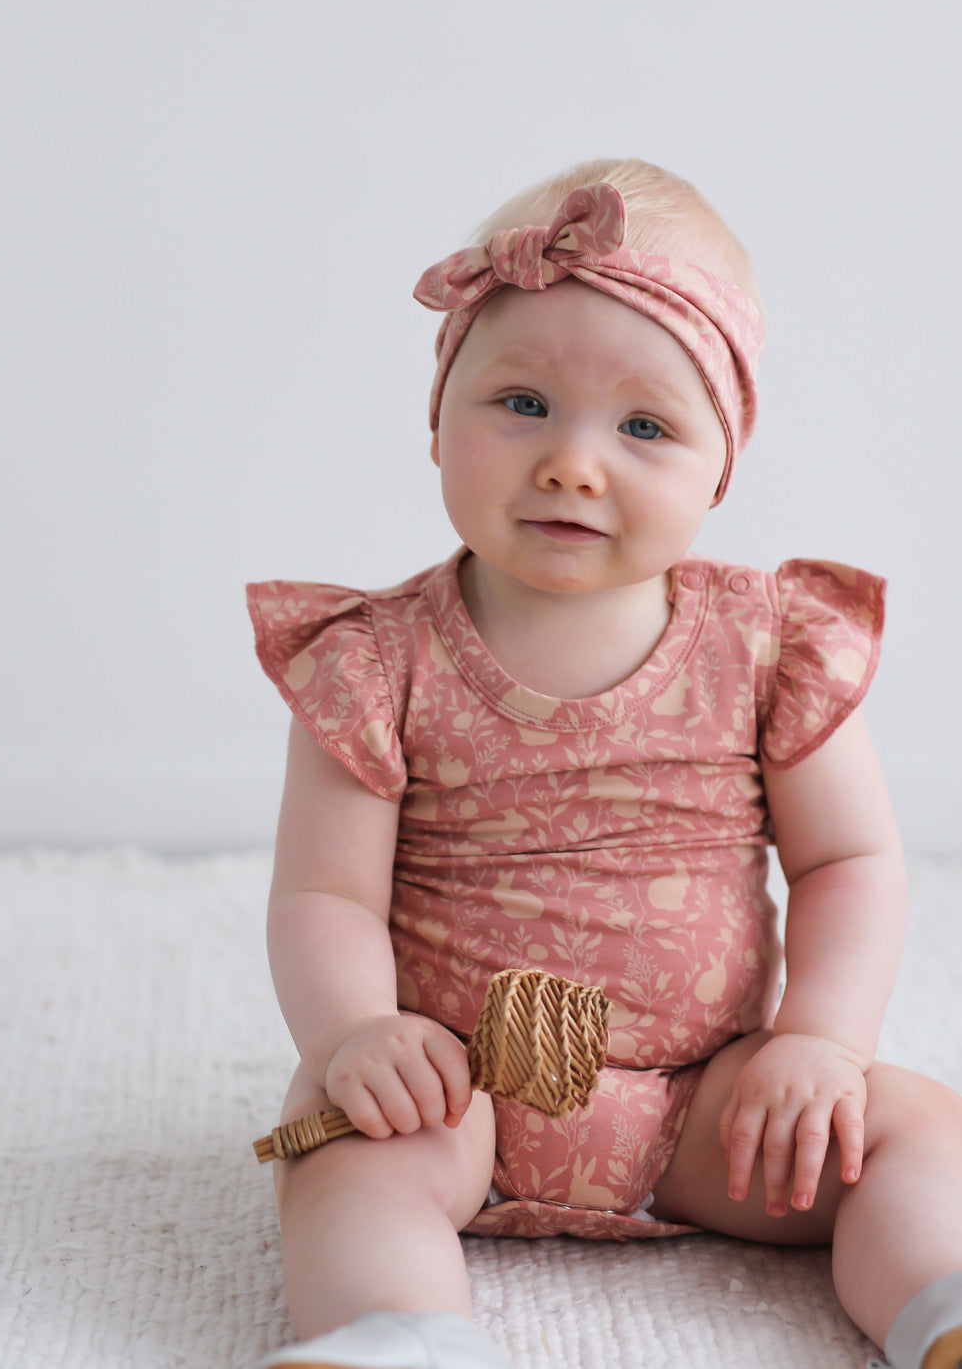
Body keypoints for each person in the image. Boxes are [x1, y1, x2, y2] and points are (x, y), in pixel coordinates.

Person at [247, 160, 962, 1369]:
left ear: (717, 468)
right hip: (452, 1097)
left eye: (642, 427)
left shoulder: (767, 645)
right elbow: (323, 894)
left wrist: (820, 1041)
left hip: (709, 1103)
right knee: (342, 1149)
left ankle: (938, 1304)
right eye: (520, 403)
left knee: (909, 1127)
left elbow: (847, 858)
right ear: (437, 418)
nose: (574, 462)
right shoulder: (374, 661)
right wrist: (358, 1032)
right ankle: (393, 1332)